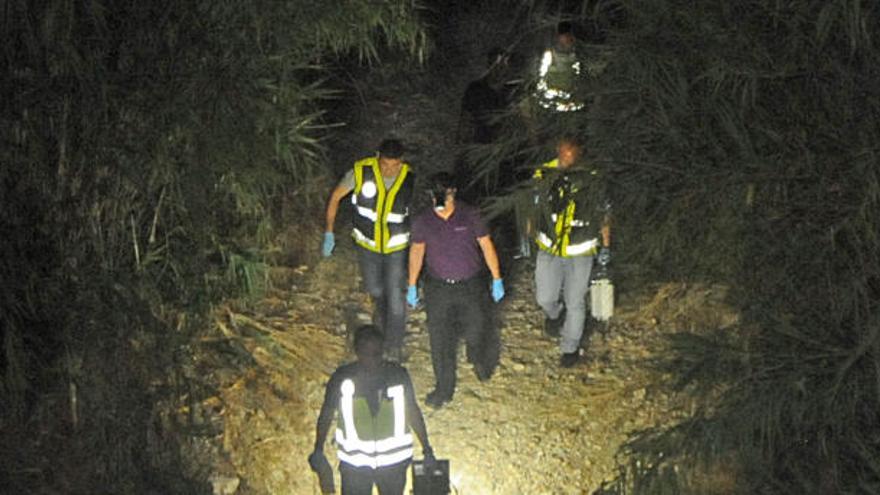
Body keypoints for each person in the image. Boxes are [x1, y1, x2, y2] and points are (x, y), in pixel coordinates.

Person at [407, 172, 505, 408]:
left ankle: (479, 359)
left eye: (445, 194)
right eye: (436, 195)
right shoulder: (423, 221)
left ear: (453, 192)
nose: (441, 201)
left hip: (470, 284)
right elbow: (417, 252)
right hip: (439, 286)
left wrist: (496, 277)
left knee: (477, 327)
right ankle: (443, 388)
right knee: (439, 339)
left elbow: (486, 246)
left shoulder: (470, 215)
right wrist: (411, 284)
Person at [309, 325, 435, 495]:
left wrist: (427, 449)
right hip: (355, 467)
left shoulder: (397, 376)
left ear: (382, 351)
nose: (371, 360)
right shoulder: (342, 379)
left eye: (376, 354)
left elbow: (413, 411)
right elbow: (327, 413)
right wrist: (318, 448)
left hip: (394, 465)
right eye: (365, 354)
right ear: (357, 352)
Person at [323, 139, 415, 360]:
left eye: (395, 165)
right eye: (385, 165)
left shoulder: (409, 177)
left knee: (395, 297)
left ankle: (392, 345)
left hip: (396, 247)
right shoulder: (361, 171)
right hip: (368, 245)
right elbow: (336, 197)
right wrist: (329, 232)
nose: (390, 170)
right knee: (375, 290)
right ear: (377, 157)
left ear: (402, 162)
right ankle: (381, 316)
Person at [532, 137, 611, 367]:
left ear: (579, 154)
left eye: (571, 155)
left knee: (575, 301)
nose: (567, 159)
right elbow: (534, 206)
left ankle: (570, 348)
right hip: (549, 247)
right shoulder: (544, 174)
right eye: (563, 154)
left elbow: (604, 213)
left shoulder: (592, 178)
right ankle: (555, 314)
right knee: (545, 297)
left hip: (581, 249)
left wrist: (605, 247)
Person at [534, 21, 584, 113]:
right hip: (551, 105)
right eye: (566, 35)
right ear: (559, 37)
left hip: (572, 104)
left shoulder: (578, 55)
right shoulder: (549, 55)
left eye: (571, 35)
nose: (569, 38)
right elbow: (540, 77)